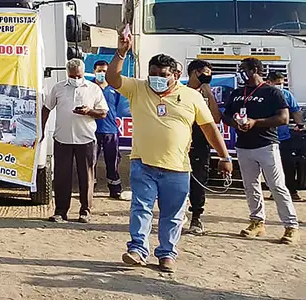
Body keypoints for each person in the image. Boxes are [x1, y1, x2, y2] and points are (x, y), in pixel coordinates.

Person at [105, 32, 232, 273]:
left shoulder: (192, 96)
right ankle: (137, 250)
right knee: (141, 208)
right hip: (143, 163)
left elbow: (210, 128)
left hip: (177, 167)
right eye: (153, 74)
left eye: (163, 75)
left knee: (173, 214)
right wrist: (121, 52)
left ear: (175, 75)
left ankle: (167, 254)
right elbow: (112, 78)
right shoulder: (138, 89)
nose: (157, 79)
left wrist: (224, 157)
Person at [222, 59, 300, 244]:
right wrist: (236, 124)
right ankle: (257, 222)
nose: (241, 73)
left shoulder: (272, 92)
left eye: (243, 69)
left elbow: (283, 118)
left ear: (255, 70)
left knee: (277, 186)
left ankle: (291, 226)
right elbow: (226, 116)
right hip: (243, 146)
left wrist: (256, 122)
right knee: (250, 186)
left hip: (266, 145)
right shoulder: (238, 93)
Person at [41, 58, 109, 223]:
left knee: (86, 177)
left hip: (86, 139)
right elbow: (46, 108)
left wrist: (89, 111)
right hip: (62, 139)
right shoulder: (58, 88)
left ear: (83, 73)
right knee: (62, 176)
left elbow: (103, 112)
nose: (76, 79)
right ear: (67, 73)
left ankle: (85, 211)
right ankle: (60, 211)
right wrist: (41, 130)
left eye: (78, 76)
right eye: (73, 76)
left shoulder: (93, 89)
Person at [184, 60, 222, 236]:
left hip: (200, 144)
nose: (208, 77)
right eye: (205, 73)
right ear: (194, 73)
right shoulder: (181, 91)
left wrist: (209, 95)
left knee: (198, 181)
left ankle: (196, 217)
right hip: (180, 143)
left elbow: (216, 119)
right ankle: (176, 214)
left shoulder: (207, 94)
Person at [268, 71, 305, 201]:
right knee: (271, 167)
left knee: (288, 165)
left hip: (284, 137)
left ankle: (292, 191)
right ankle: (274, 191)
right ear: (269, 82)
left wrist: (300, 125)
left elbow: (295, 111)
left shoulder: (287, 95)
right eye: (278, 83)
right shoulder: (264, 95)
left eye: (282, 83)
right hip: (267, 137)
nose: (280, 86)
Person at [91, 60, 124, 199]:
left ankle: (115, 189)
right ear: (94, 72)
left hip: (111, 131)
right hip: (92, 130)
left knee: (112, 162)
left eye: (104, 71)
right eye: (99, 71)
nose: (102, 73)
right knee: (91, 161)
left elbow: (117, 106)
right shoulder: (89, 87)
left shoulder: (114, 88)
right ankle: (89, 188)